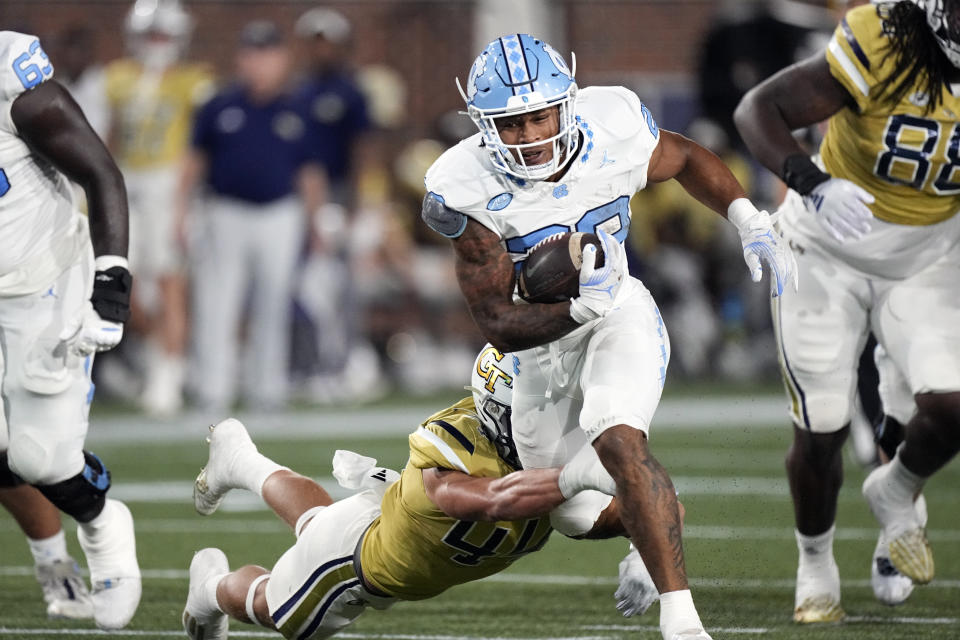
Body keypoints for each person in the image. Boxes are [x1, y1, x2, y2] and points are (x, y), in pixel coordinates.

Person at [421, 34, 796, 640]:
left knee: (617, 437)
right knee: (573, 513)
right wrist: (573, 310)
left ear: (566, 104)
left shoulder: (613, 123)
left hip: (619, 311)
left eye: (539, 115)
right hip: (537, 348)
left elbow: (685, 157)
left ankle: (682, 622)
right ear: (484, 126)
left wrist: (747, 217)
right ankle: (659, 513)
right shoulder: (462, 186)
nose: (529, 135)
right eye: (509, 124)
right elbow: (495, 322)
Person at [734, 0, 960, 621]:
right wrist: (813, 181)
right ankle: (815, 559)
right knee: (823, 425)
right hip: (826, 247)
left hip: (930, 255)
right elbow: (759, 108)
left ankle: (896, 488)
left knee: (951, 404)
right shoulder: (884, 37)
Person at [181, 345, 657, 640]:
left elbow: (659, 501)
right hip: (354, 567)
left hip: (384, 525)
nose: (553, 419)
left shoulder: (555, 450)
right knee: (276, 610)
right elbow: (494, 501)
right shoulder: (453, 446)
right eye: (538, 408)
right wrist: (575, 481)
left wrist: (643, 551)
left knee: (318, 525)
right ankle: (209, 591)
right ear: (498, 411)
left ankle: (239, 459)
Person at [0, 30, 140, 628]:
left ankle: (105, 525)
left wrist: (111, 283)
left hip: (43, 278)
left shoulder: (15, 86)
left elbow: (102, 173)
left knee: (40, 458)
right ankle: (51, 562)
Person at [177, 20, 325, 412]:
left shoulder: (298, 107)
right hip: (225, 211)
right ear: (241, 58)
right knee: (217, 301)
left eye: (268, 55)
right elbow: (194, 161)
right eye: (252, 54)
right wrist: (180, 211)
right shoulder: (219, 104)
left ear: (282, 60)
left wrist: (314, 221)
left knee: (273, 302)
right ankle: (212, 391)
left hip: (280, 213)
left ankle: (267, 391)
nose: (259, 63)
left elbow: (310, 171)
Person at [104, 0, 214, 415]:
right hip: (128, 180)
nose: (157, 43)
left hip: (169, 183)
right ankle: (155, 357)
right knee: (121, 282)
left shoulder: (194, 81)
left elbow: (199, 147)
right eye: (150, 35)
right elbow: (111, 137)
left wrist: (187, 200)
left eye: (164, 35)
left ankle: (168, 372)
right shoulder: (117, 77)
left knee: (169, 281)